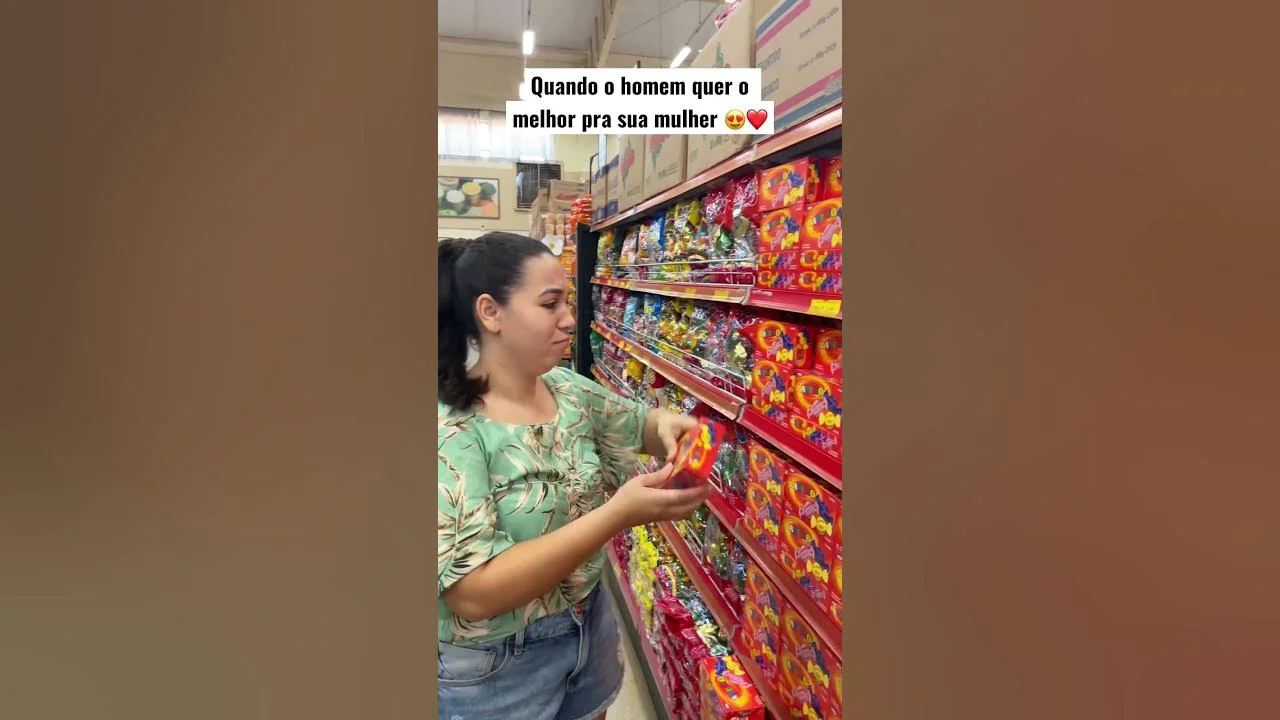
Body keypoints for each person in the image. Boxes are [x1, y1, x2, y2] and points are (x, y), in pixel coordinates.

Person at [437, 232, 709, 720]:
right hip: (495, 668)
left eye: (568, 301)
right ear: (490, 312)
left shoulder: (565, 388)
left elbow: (640, 424)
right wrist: (617, 515)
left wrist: (670, 426)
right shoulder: (452, 429)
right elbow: (472, 593)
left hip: (588, 624)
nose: (568, 318)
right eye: (550, 304)